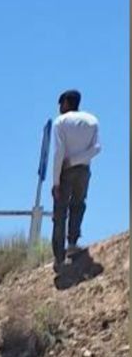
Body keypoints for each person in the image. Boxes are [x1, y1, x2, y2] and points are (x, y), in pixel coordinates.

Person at [51, 89, 101, 272]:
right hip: (84, 170)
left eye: (60, 104)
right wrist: (80, 159)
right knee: (78, 205)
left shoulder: (61, 122)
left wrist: (55, 181)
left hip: (65, 170)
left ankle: (59, 257)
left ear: (66, 103)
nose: (59, 108)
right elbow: (97, 148)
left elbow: (58, 153)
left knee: (60, 213)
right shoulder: (92, 120)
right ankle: (72, 243)